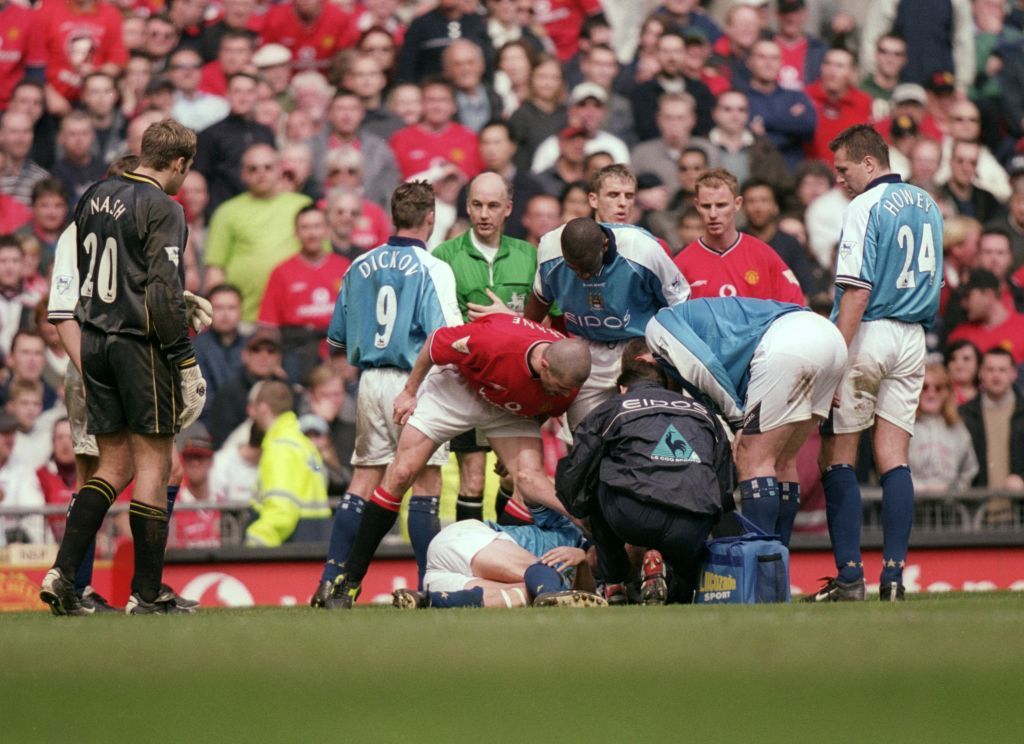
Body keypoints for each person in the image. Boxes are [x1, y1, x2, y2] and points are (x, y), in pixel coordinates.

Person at [40, 119, 207, 615]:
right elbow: (159, 290)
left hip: (95, 343)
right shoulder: (164, 208)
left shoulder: (94, 194)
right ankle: (147, 592)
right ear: (178, 163)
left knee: (112, 466)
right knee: (154, 466)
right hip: (139, 346)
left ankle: (62, 572)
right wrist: (184, 358)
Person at [325, 312, 591, 609]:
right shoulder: (493, 342)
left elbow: (545, 406)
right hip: (458, 389)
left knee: (528, 477)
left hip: (510, 409)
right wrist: (409, 392)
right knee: (401, 474)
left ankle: (566, 524)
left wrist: (516, 448)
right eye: (561, 386)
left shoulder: (567, 380)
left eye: (570, 389)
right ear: (544, 364)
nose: (566, 394)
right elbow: (434, 342)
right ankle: (348, 581)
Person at [311, 180, 462, 607]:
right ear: (431, 218)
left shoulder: (359, 264)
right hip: (414, 380)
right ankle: (428, 586)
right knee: (426, 482)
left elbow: (337, 341)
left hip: (369, 381)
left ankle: (331, 580)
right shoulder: (435, 269)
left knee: (363, 480)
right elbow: (444, 338)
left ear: (392, 217)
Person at [811, 124, 945, 603]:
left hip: (870, 332)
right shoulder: (928, 203)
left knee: (838, 455)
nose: (841, 179)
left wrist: (833, 359)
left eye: (844, 168)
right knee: (894, 457)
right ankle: (893, 576)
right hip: (914, 338)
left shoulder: (864, 206)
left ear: (869, 163)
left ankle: (850, 577)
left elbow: (857, 290)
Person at [646, 296, 846, 546]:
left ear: (643, 359)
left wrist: (738, 423)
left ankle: (759, 565)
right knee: (782, 461)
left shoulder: (656, 328)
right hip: (828, 338)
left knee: (753, 459)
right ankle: (776, 569)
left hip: (789, 343)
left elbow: (705, 367)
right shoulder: (704, 319)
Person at [556, 339, 733, 604]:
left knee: (594, 477)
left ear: (623, 387)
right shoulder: (703, 412)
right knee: (680, 595)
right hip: (693, 521)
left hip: (634, 516)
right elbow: (725, 484)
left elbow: (576, 473)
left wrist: (581, 512)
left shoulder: (611, 410)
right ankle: (668, 578)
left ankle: (614, 584)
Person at [525, 178, 690, 431]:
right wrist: (524, 340)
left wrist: (663, 354)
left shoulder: (643, 249)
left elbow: (680, 304)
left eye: (589, 268)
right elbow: (539, 300)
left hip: (638, 348)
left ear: (604, 246)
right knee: (585, 438)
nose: (582, 276)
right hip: (584, 350)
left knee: (644, 434)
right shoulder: (549, 248)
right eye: (574, 269)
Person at [432, 172, 539, 523]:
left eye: (493, 205)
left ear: (508, 208)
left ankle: (504, 549)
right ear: (466, 206)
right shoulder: (444, 255)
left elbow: (547, 326)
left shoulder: (529, 255)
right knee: (473, 480)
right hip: (465, 384)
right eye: (477, 205)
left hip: (517, 385)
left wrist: (508, 318)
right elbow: (435, 324)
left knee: (516, 478)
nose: (484, 214)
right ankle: (468, 558)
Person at [393, 506, 603, 609]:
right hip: (464, 542)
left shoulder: (597, 578)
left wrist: (582, 560)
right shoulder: (568, 528)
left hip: (441, 582)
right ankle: (549, 594)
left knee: (523, 597)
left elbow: (582, 600)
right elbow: (529, 483)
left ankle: (426, 600)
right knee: (541, 571)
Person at [204, 143, 312, 321]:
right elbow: (215, 269)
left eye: (268, 167)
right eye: (253, 169)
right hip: (244, 317)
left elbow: (322, 257)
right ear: (243, 175)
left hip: (299, 314)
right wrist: (216, 314)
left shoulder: (303, 205)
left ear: (279, 170)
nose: (261, 173)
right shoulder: (226, 212)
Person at [673, 168, 804, 304]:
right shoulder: (682, 265)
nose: (713, 214)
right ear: (697, 206)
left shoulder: (763, 255)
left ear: (737, 204)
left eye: (721, 205)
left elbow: (795, 307)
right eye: (706, 206)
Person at [258, 205, 350, 383]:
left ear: (326, 229)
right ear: (296, 233)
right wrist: (273, 363)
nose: (312, 233)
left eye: (317, 226)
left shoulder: (345, 267)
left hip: (338, 352)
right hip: (295, 352)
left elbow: (359, 318)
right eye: (305, 227)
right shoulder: (281, 272)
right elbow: (268, 327)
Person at [244, 380, 332, 547]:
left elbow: (281, 510)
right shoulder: (302, 443)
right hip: (313, 541)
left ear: (262, 407)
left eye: (254, 407)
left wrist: (254, 543)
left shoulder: (281, 447)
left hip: (289, 548)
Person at [908, 363, 978, 492]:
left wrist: (953, 491)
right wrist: (921, 489)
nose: (931, 392)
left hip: (950, 507)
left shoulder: (958, 429)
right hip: (913, 505)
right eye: (924, 387)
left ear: (947, 392)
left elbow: (969, 469)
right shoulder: (904, 427)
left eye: (938, 388)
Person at [947, 269, 1024, 365]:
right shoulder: (959, 336)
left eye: (967, 296)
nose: (963, 304)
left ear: (988, 295)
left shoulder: (1022, 328)